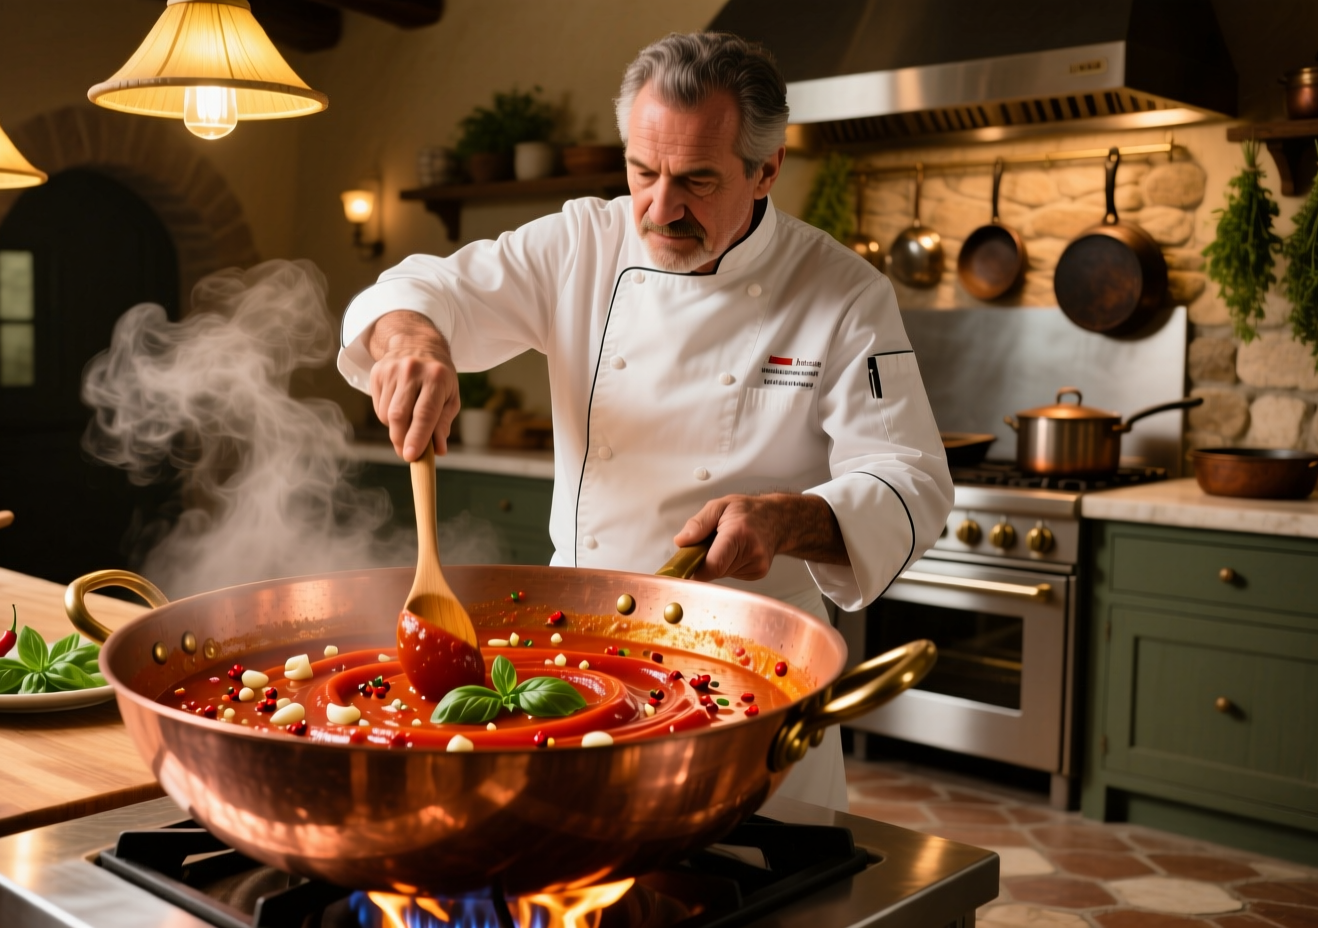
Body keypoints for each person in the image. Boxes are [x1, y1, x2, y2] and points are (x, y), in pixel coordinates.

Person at [337, 32, 951, 808]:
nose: (660, 210)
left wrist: (788, 519)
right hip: (576, 655)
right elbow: (423, 286)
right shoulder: (580, 243)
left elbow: (912, 481)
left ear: (766, 170)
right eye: (642, 172)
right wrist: (414, 341)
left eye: (696, 180)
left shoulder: (842, 292)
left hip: (749, 672)